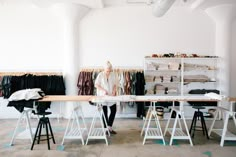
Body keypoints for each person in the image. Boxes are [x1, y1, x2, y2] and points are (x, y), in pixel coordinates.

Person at [95, 61, 117, 134]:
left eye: (109, 70)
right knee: (105, 112)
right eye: (107, 71)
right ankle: (105, 129)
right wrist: (103, 90)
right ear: (104, 69)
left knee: (114, 110)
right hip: (102, 95)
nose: (108, 72)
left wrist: (114, 91)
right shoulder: (100, 75)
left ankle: (109, 127)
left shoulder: (113, 74)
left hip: (110, 95)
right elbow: (96, 85)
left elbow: (115, 84)